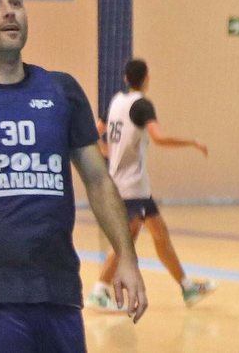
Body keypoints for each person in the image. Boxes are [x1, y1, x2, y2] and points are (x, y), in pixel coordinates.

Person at [0, 0, 148, 352]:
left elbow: (97, 179)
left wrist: (126, 257)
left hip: (58, 291)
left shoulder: (61, 90)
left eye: (15, 3)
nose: (9, 13)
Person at [86, 58, 217, 311]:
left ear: (125, 79)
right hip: (132, 187)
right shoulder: (142, 105)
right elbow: (159, 137)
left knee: (159, 236)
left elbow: (93, 133)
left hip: (126, 186)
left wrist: (107, 152)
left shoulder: (115, 102)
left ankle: (187, 287)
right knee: (129, 240)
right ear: (146, 79)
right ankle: (99, 290)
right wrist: (191, 142)